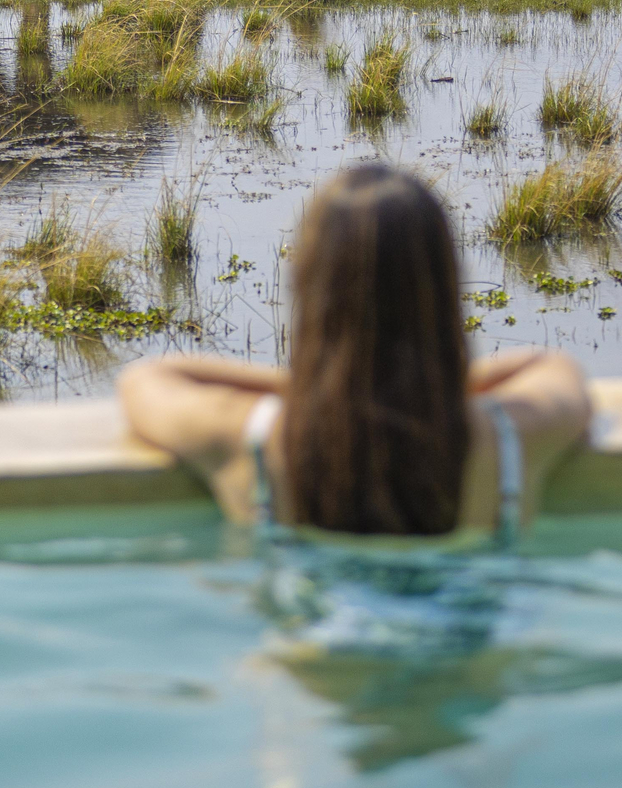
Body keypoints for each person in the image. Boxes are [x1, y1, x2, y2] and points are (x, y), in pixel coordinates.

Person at [119, 163, 591, 545]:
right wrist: (426, 384)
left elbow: (147, 377)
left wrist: (328, 386)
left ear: (311, 285)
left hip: (310, 661)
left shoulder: (251, 443)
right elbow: (553, 366)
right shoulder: (511, 441)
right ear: (443, 286)